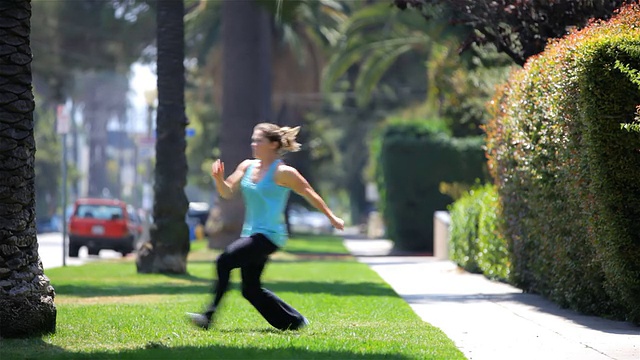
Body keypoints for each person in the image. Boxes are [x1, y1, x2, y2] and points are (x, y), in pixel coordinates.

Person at [187, 122, 345, 331]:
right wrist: (218, 179)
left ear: (272, 144)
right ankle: (295, 322)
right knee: (250, 290)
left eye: (258, 140)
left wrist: (331, 216)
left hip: (271, 235)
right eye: (253, 140)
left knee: (224, 261)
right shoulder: (247, 166)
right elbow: (227, 191)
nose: (253, 144)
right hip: (251, 233)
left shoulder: (283, 172)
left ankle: (208, 316)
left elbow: (308, 192)